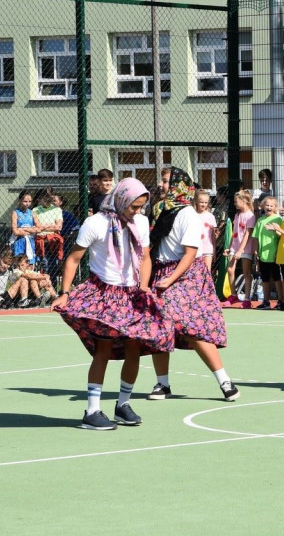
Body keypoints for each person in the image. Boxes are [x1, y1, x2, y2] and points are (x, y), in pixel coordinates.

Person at [52, 178, 172, 430]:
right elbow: (74, 259)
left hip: (132, 294)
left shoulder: (140, 221)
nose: (137, 211)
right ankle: (92, 411)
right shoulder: (95, 223)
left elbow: (146, 257)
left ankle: (123, 405)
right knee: (103, 350)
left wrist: (144, 286)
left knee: (134, 349)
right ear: (121, 199)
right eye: (133, 206)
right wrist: (65, 292)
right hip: (104, 294)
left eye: (141, 207)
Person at [145, 168, 239, 402]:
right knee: (159, 327)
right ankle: (162, 384)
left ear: (178, 185)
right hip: (162, 271)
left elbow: (189, 254)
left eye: (166, 181)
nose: (161, 184)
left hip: (186, 274)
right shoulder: (158, 210)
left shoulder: (188, 214)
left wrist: (170, 279)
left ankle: (225, 382)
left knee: (192, 328)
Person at [224, 189, 255, 309]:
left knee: (246, 272)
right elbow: (235, 232)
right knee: (230, 270)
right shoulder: (237, 215)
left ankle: (247, 299)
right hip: (235, 246)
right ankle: (233, 295)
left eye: (236, 201)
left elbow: (247, 234)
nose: (234, 204)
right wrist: (230, 247)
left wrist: (240, 251)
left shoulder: (250, 216)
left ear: (243, 201)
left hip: (245, 248)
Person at [253, 196, 284, 310]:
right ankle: (266, 301)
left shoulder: (278, 219)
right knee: (265, 278)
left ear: (275, 207)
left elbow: (281, 236)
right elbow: (256, 237)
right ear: (263, 206)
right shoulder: (260, 220)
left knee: (276, 278)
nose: (269, 207)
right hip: (263, 255)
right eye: (267, 205)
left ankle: (281, 300)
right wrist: (256, 251)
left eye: (271, 205)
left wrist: (278, 252)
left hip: (274, 254)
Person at [33, 187, 64, 279]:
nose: (48, 200)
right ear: (40, 198)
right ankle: (48, 288)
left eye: (49, 198)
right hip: (42, 241)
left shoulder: (56, 210)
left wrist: (43, 227)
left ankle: (52, 287)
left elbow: (59, 227)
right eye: (45, 197)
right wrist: (51, 226)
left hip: (53, 241)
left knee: (54, 265)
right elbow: (38, 227)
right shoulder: (35, 210)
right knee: (45, 264)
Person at [194, 189, 217, 268]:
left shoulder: (210, 216)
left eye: (206, 202)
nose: (203, 204)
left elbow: (213, 235)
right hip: (195, 248)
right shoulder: (192, 215)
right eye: (201, 202)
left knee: (207, 272)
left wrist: (214, 250)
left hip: (207, 249)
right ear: (196, 201)